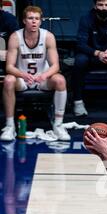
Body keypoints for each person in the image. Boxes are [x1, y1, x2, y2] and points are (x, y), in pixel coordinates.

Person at [0, 6, 69, 142]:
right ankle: (9, 126)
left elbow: (55, 65)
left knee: (60, 80)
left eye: (37, 19)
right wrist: (22, 74)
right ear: (24, 21)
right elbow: (9, 67)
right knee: (8, 80)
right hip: (22, 79)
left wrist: (44, 75)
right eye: (30, 18)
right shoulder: (15, 37)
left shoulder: (48, 36)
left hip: (41, 79)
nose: (34, 22)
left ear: (41, 21)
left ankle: (58, 125)